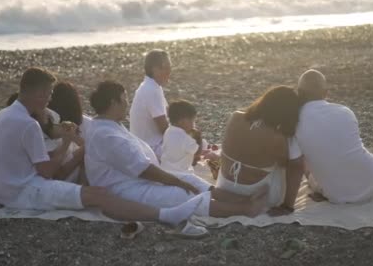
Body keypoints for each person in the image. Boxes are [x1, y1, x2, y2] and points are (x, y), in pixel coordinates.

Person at [0, 67, 203, 227]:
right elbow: (46, 173)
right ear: (39, 94)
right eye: (49, 93)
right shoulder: (29, 125)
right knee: (99, 195)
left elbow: (34, 159)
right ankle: (164, 215)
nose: (50, 98)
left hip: (3, 187)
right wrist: (66, 143)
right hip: (23, 191)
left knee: (92, 189)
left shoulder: (4, 114)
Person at [85, 81, 269, 219]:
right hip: (125, 190)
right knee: (183, 193)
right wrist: (175, 182)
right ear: (113, 102)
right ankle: (245, 209)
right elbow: (143, 169)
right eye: (124, 100)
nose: (127, 104)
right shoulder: (106, 135)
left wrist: (178, 179)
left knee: (189, 178)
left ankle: (240, 199)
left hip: (139, 180)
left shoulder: (110, 126)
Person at [287, 69, 373, 204]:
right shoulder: (345, 111)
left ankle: (320, 185)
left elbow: (296, 164)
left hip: (337, 194)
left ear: (299, 93)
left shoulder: (294, 121)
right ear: (326, 93)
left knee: (302, 158)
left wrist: (287, 206)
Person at [218, 86, 300, 211]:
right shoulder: (277, 137)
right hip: (255, 194)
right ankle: (287, 203)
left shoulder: (235, 116)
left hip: (224, 186)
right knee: (292, 162)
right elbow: (285, 165)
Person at [129, 49, 171, 158]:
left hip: (146, 145)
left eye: (169, 67)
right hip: (150, 148)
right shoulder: (151, 89)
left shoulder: (150, 86)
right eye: (165, 67)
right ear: (154, 69)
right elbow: (164, 128)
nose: (169, 72)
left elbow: (170, 115)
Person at [160, 100, 203, 174]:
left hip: (165, 170)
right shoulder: (184, 138)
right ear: (181, 121)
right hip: (180, 174)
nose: (193, 124)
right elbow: (197, 153)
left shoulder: (168, 131)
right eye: (192, 121)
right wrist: (198, 136)